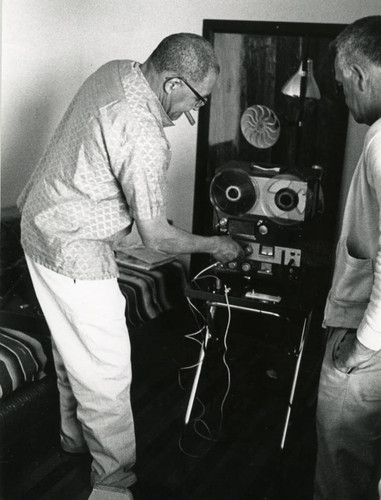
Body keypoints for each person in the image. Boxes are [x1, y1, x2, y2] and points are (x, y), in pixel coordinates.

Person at [17, 33, 243, 500]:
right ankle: (113, 485)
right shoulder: (144, 134)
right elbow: (157, 236)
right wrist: (214, 244)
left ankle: (73, 440)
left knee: (69, 346)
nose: (194, 112)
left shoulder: (119, 69)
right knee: (107, 371)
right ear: (172, 83)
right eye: (196, 99)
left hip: (39, 224)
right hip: (73, 248)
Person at [314, 16, 381, 500]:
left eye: (341, 85)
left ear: (358, 73)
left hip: (367, 336)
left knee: (342, 454)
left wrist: (365, 344)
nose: (343, 97)